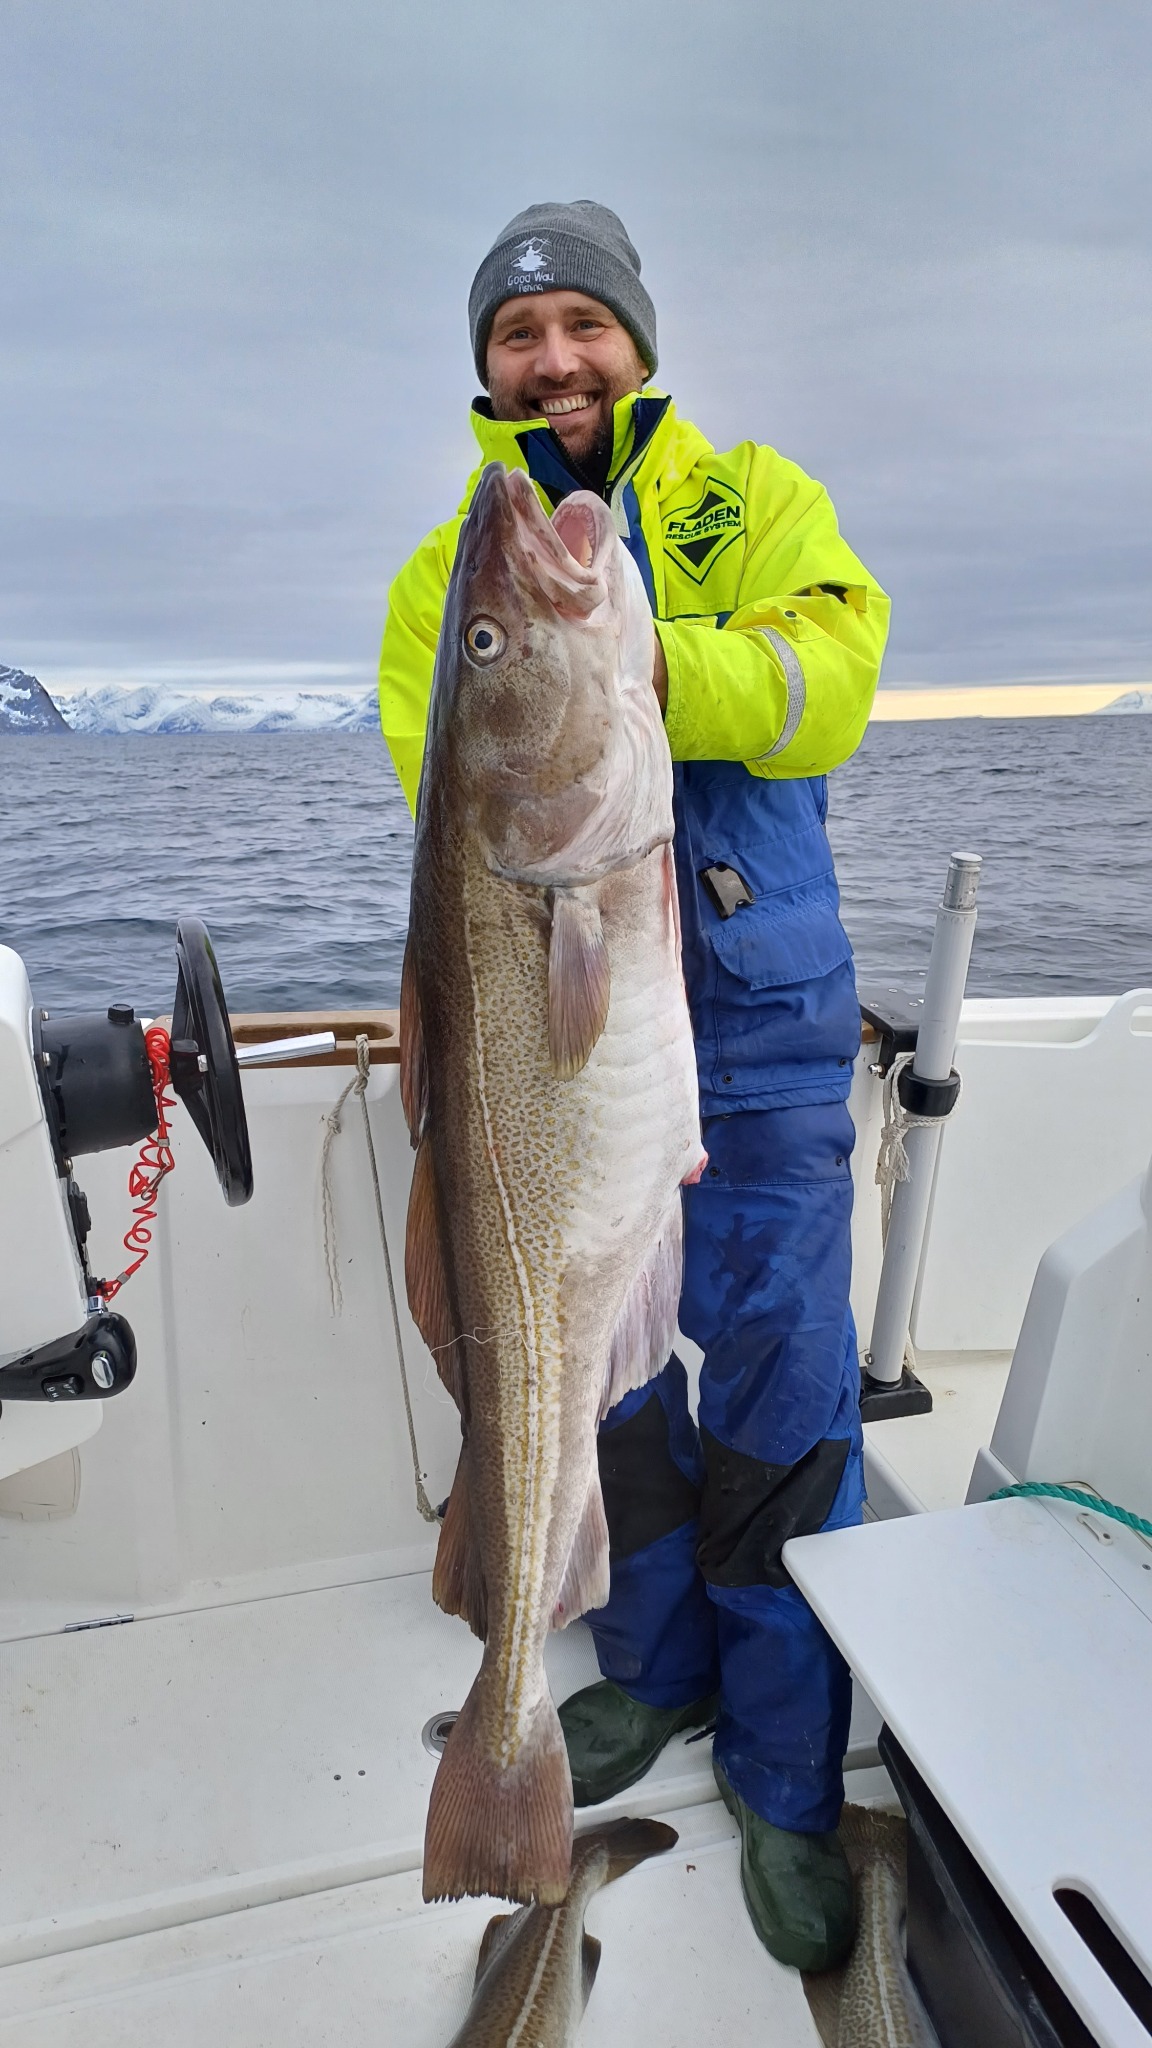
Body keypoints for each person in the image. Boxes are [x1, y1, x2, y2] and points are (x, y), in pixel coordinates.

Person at [379, 200, 889, 1973]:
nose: (554, 363)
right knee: (601, 1396)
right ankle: (641, 1677)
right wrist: (545, 661)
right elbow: (449, 781)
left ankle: (782, 1772)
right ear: (486, 368)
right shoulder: (448, 579)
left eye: (582, 325)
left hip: (753, 1023)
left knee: (776, 1381)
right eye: (518, 337)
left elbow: (835, 685)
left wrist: (666, 660)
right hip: (564, 1027)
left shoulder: (752, 499)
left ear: (636, 342)